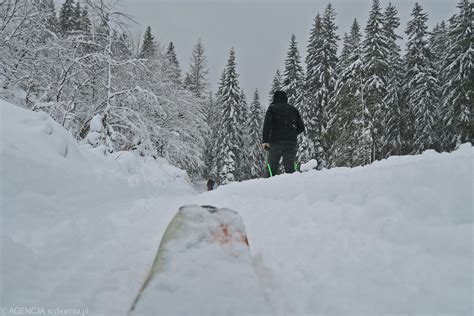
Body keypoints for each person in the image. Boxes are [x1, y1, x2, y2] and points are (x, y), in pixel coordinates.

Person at [262, 90, 305, 176]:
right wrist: (292, 133)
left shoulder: (272, 108)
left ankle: (269, 186)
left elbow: (267, 126)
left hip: (275, 142)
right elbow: (301, 127)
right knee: (290, 169)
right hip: (290, 143)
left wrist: (265, 141)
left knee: (272, 169)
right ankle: (292, 186)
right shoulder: (293, 110)